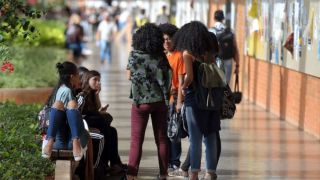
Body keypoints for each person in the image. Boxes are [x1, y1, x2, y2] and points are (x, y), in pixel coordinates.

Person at [173, 21, 223, 180]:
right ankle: (210, 173)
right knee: (211, 136)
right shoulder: (210, 52)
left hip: (194, 99)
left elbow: (190, 77)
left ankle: (194, 172)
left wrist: (183, 86)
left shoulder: (188, 53)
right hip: (212, 98)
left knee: (195, 139)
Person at [125, 23, 172, 180]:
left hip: (140, 103)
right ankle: (164, 174)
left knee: (136, 140)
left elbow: (129, 76)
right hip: (160, 101)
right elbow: (168, 77)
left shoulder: (134, 55)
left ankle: (131, 175)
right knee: (162, 139)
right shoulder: (161, 56)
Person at [78, 70, 125, 175]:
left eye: (99, 80)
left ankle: (114, 163)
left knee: (112, 131)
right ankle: (103, 164)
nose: (98, 83)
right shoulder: (83, 95)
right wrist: (98, 116)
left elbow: (97, 109)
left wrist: (97, 95)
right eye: (95, 80)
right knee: (104, 126)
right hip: (84, 124)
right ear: (87, 80)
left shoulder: (92, 94)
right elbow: (77, 114)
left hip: (92, 122)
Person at [42, 61, 88, 162]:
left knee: (60, 104)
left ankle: (50, 141)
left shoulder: (60, 89)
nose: (79, 79)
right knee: (70, 104)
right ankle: (76, 140)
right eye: (78, 76)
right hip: (70, 140)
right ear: (72, 76)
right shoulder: (66, 91)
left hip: (58, 142)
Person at [159, 23, 185, 173]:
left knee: (174, 132)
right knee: (163, 132)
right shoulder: (161, 56)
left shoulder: (179, 55)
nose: (166, 42)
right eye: (163, 40)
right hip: (161, 100)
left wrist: (179, 101)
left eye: (169, 39)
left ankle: (175, 161)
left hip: (174, 100)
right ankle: (166, 160)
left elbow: (181, 81)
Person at [209, 10, 239, 84]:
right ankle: (225, 94)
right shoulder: (230, 31)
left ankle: (217, 95)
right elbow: (235, 49)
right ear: (223, 18)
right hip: (228, 60)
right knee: (225, 83)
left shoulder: (210, 31)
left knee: (215, 84)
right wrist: (237, 65)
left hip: (215, 60)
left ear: (214, 18)